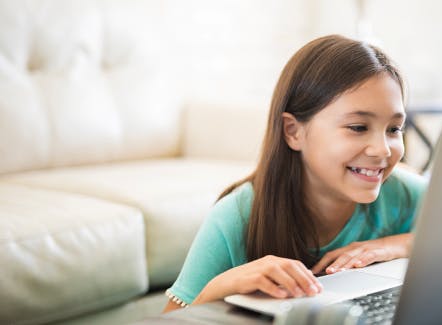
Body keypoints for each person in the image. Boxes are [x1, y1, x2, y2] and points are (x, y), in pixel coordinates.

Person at [163, 34, 427, 312]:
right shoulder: (238, 216)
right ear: (293, 131)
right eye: (358, 127)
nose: (382, 150)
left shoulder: (406, 193)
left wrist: (396, 245)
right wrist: (224, 285)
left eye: (393, 129)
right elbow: (171, 317)